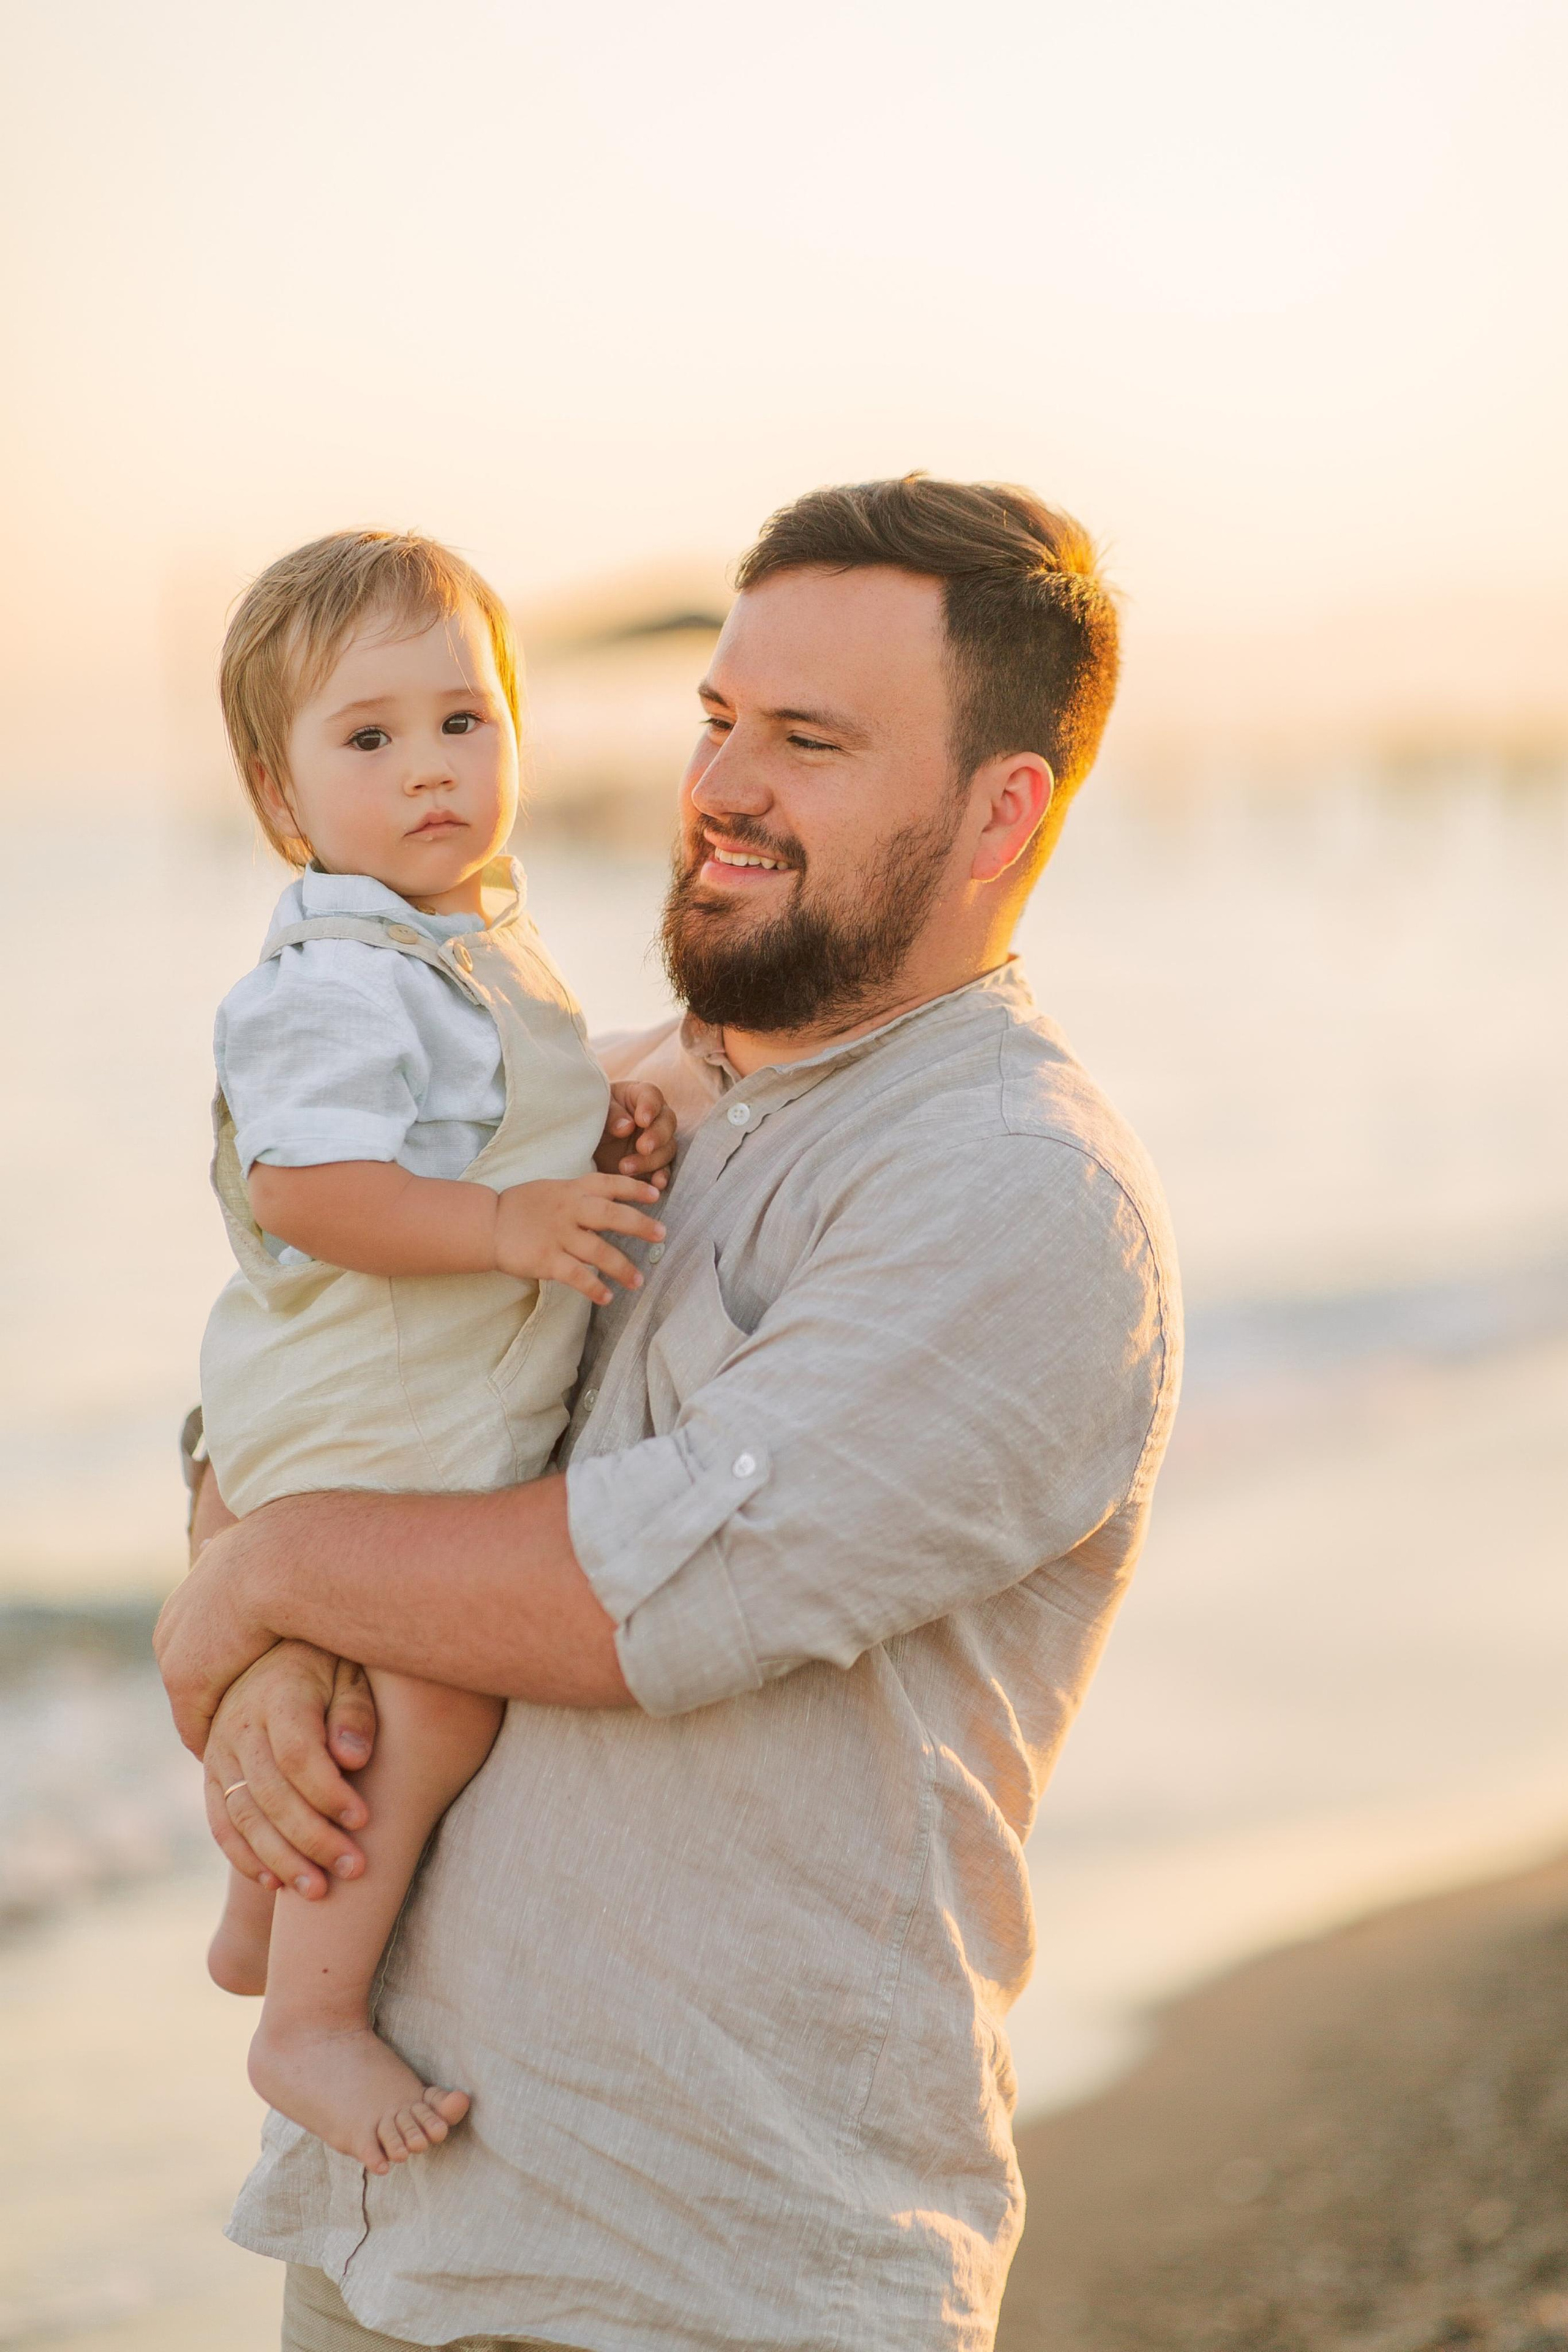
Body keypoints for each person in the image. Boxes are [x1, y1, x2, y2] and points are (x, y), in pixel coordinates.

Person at [159, 475, 1183, 2352]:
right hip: (395, 2236)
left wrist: (265, 1583)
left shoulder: (1015, 1194)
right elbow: (298, 1353)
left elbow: (628, 1603)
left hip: (706, 2265)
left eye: (807, 739)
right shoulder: (601, 1094)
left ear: (999, 811)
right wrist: (269, 1665)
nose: (720, 783)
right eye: (719, 719)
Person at [195, 530, 676, 2177]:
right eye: (370, 738)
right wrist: (505, 1228)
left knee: (351, 1691)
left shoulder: (465, 948)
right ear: (284, 797)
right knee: (429, 1696)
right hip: (368, 1412)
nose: (431, 774)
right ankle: (305, 2018)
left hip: (411, 1399)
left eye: (465, 723)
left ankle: (266, 1912)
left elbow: (480, 1123)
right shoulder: (334, 975)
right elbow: (310, 1186)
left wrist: (585, 1137)